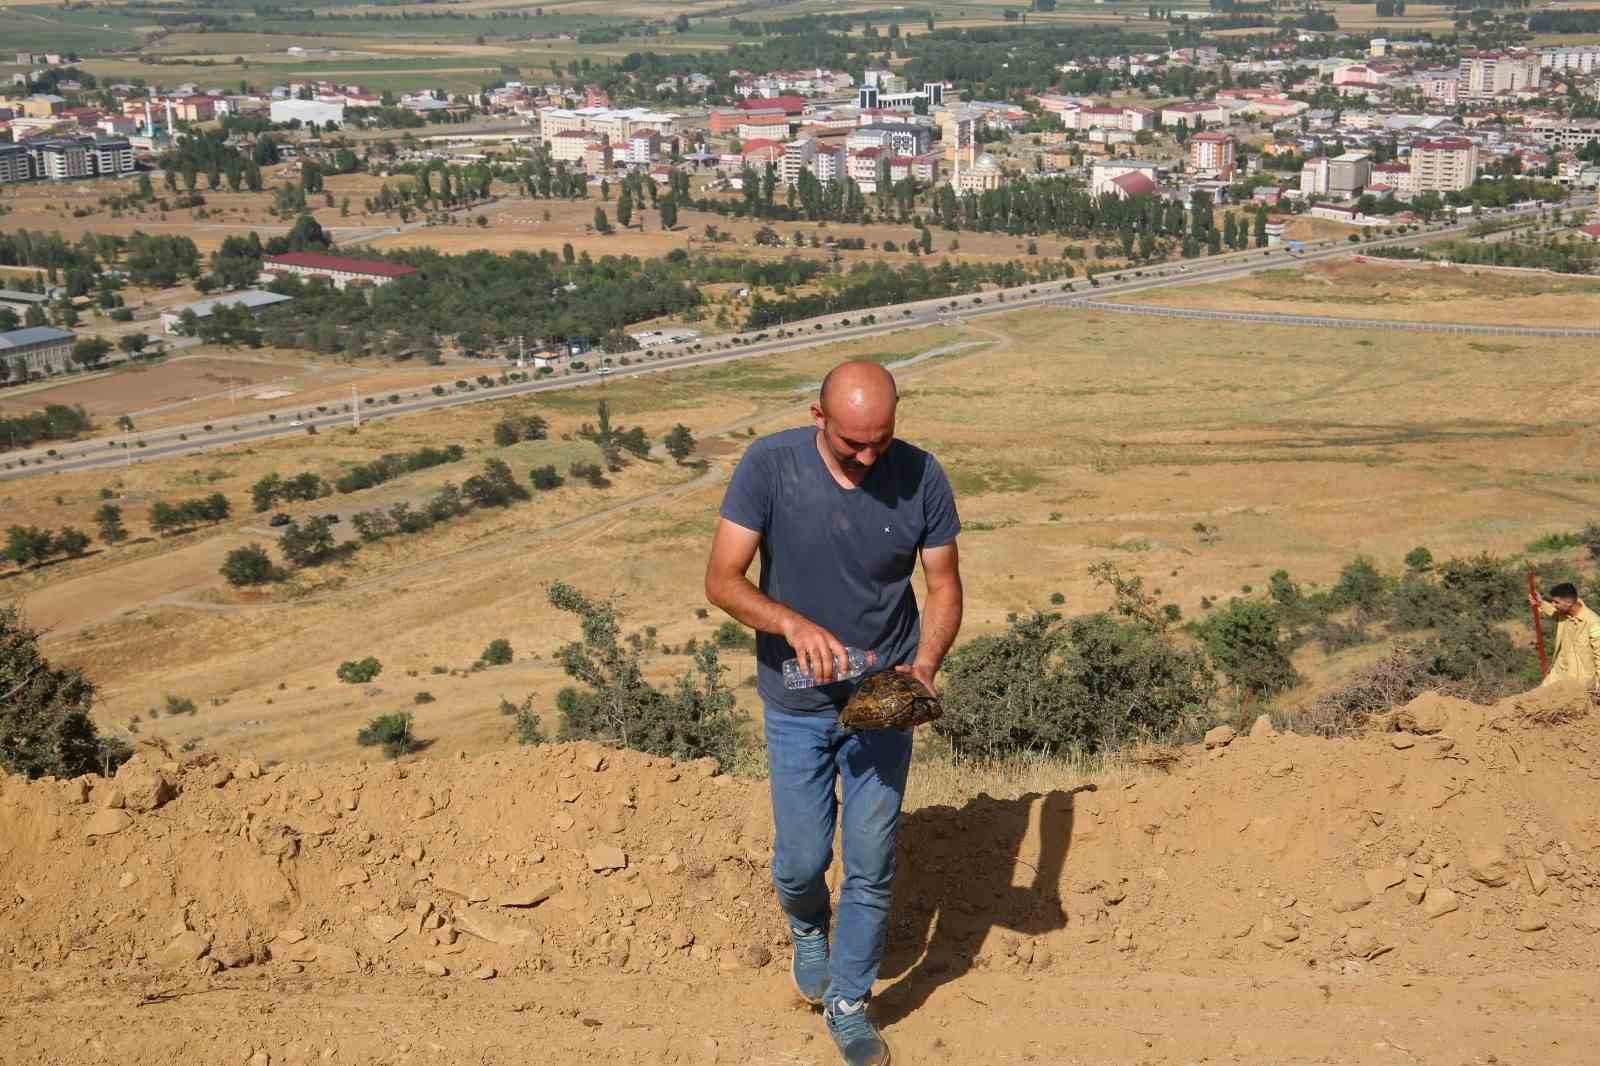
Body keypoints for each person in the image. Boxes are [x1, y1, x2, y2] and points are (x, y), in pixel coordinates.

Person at [704, 360, 963, 1066]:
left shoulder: (923, 475)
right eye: (855, 443)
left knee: (873, 857)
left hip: (883, 701)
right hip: (795, 701)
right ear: (818, 419)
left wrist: (925, 668)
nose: (871, 456)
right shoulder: (768, 466)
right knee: (800, 860)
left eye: (882, 439)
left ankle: (850, 1003)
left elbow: (943, 585)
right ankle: (808, 925)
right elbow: (722, 580)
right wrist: (790, 624)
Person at [1529, 582, 1600, 688]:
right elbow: (1554, 612)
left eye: (1556, 602)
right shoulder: (1564, 614)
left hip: (1580, 683)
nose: (1553, 604)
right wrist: (1540, 603)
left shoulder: (1593, 622)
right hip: (1558, 675)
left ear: (1569, 602)